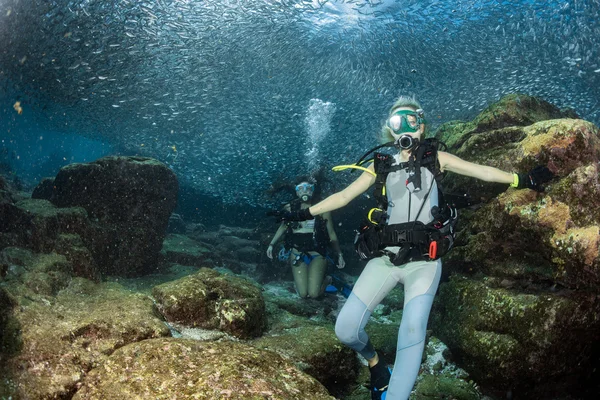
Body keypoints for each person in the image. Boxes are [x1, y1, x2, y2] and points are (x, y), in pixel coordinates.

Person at [269, 96, 553, 400]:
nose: (405, 128)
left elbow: (480, 170)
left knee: (413, 330)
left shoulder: (436, 158)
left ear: (422, 126)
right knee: (346, 331)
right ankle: (376, 364)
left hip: (424, 264)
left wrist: (521, 178)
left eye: (411, 121)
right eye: (397, 122)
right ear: (389, 132)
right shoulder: (379, 165)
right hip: (384, 260)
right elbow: (342, 197)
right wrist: (301, 214)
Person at [266, 178, 346, 299]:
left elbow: (331, 233)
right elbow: (283, 227)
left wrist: (339, 254)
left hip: (318, 254)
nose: (305, 191)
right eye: (301, 188)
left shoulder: (322, 208)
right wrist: (271, 244)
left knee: (313, 294)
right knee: (303, 294)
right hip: (297, 253)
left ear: (313, 190)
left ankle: (328, 280)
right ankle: (305, 283)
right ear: (297, 192)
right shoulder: (290, 208)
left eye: (308, 188)